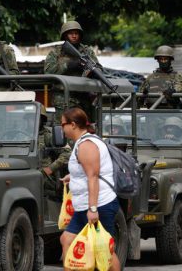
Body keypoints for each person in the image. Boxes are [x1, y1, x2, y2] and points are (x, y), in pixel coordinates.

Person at [59, 107, 120, 271]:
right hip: (84, 206)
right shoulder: (82, 142)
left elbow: (93, 176)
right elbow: (87, 171)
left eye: (62, 124)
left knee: (104, 248)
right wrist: (72, 177)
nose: (61, 129)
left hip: (99, 205)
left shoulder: (86, 144)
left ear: (72, 125)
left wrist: (93, 209)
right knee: (67, 240)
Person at [44, 21, 101, 122]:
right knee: (65, 129)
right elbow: (48, 72)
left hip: (83, 96)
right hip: (63, 97)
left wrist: (92, 72)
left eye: (76, 33)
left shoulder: (87, 51)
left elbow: (98, 68)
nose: (74, 36)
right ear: (65, 35)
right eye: (71, 33)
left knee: (86, 128)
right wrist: (69, 65)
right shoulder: (56, 53)